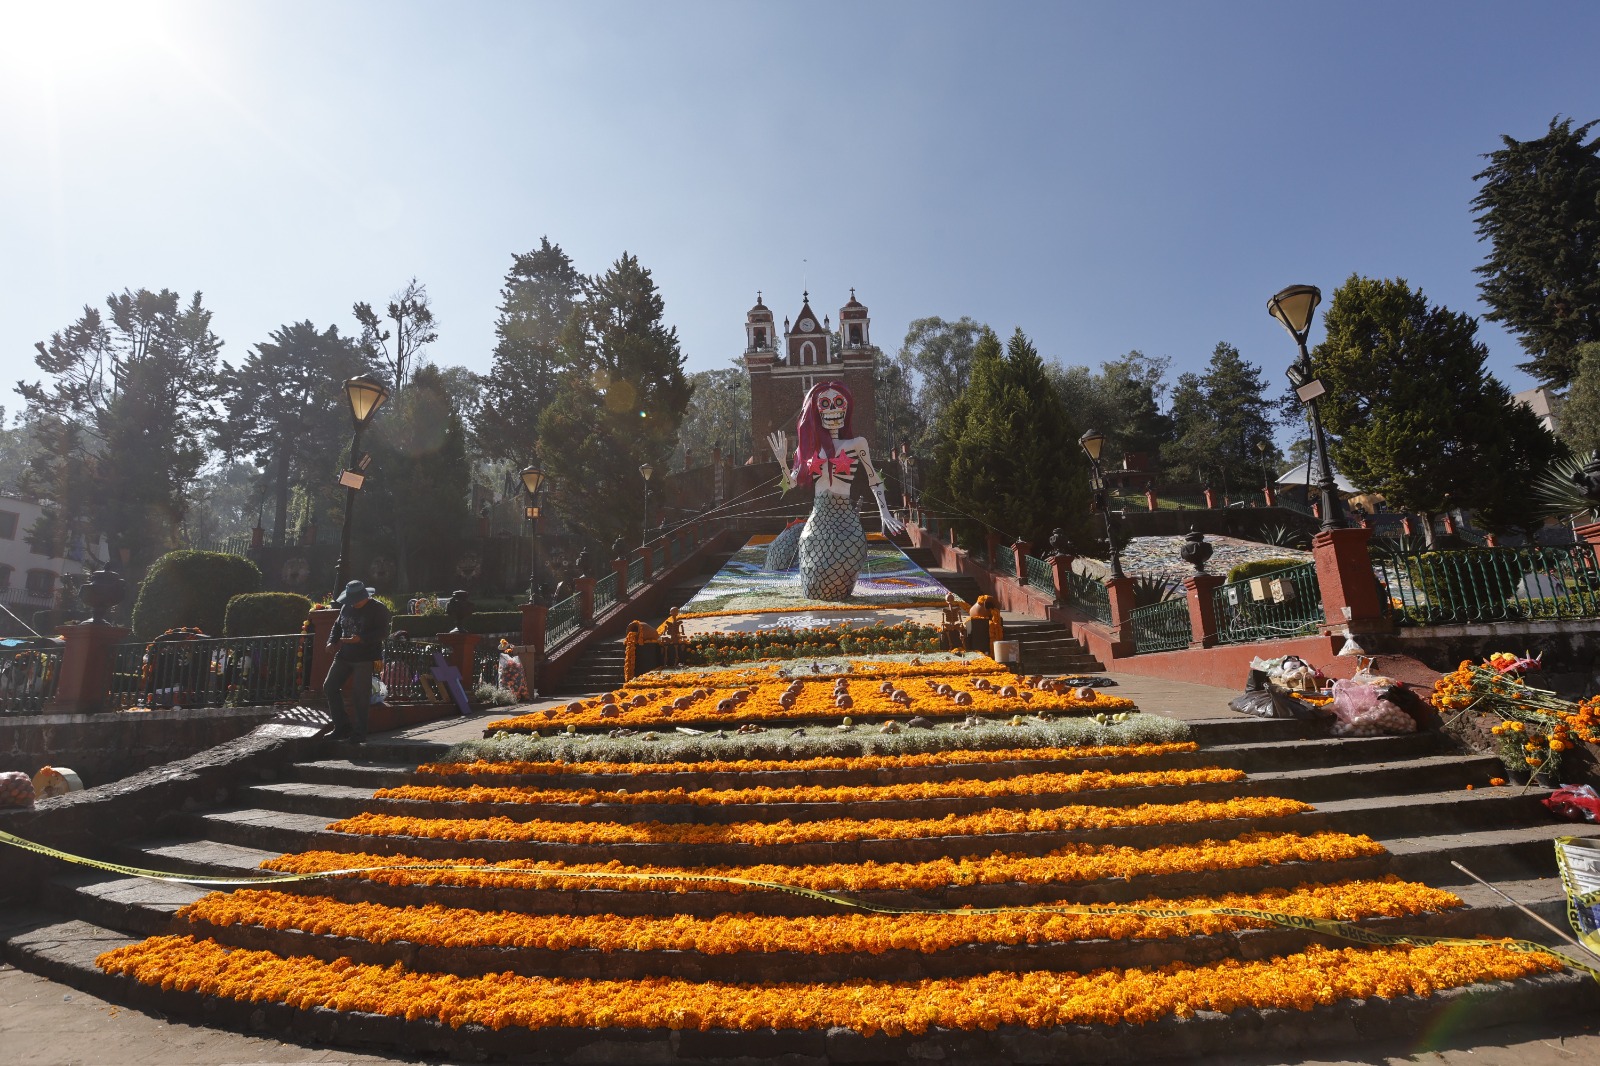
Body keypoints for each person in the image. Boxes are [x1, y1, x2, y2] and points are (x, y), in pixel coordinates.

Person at [323, 579, 391, 743]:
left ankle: (359, 733)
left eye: (355, 601)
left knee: (360, 694)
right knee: (330, 686)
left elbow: (384, 632)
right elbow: (337, 626)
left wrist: (361, 639)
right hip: (344, 655)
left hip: (366, 657)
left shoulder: (378, 608)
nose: (352, 604)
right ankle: (342, 726)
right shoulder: (346, 607)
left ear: (364, 596)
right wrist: (332, 641)